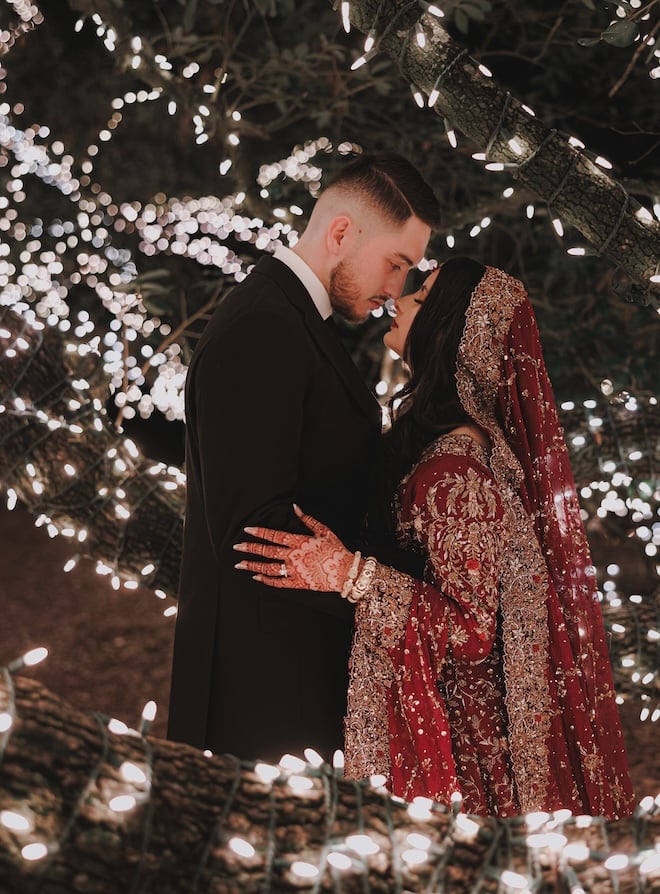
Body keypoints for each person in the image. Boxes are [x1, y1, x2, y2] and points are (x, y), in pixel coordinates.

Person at [234, 257, 635, 818]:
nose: (397, 299)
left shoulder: (454, 475)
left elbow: (471, 632)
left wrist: (349, 573)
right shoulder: (444, 446)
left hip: (466, 749)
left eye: (419, 297)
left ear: (452, 333)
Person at [167, 153, 441, 762]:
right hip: (260, 694)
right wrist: (386, 590)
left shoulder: (294, 321)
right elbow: (252, 525)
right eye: (396, 264)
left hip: (289, 674)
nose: (395, 289)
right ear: (341, 231)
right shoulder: (265, 325)